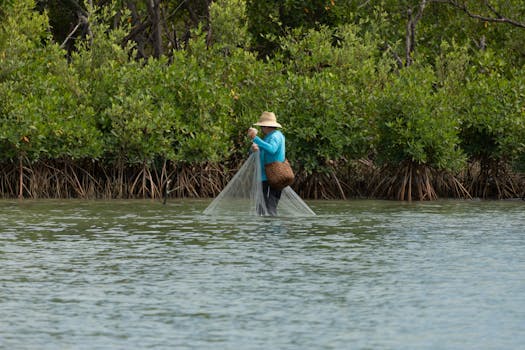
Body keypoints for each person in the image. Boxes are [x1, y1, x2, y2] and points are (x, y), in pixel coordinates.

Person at [247, 111, 286, 216]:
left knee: (270, 206)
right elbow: (261, 150)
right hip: (266, 176)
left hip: (274, 175)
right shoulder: (269, 137)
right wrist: (253, 149)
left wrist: (255, 138)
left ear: (266, 126)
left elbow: (272, 149)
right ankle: (265, 230)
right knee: (261, 207)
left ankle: (270, 230)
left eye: (262, 127)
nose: (261, 129)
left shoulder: (275, 136)